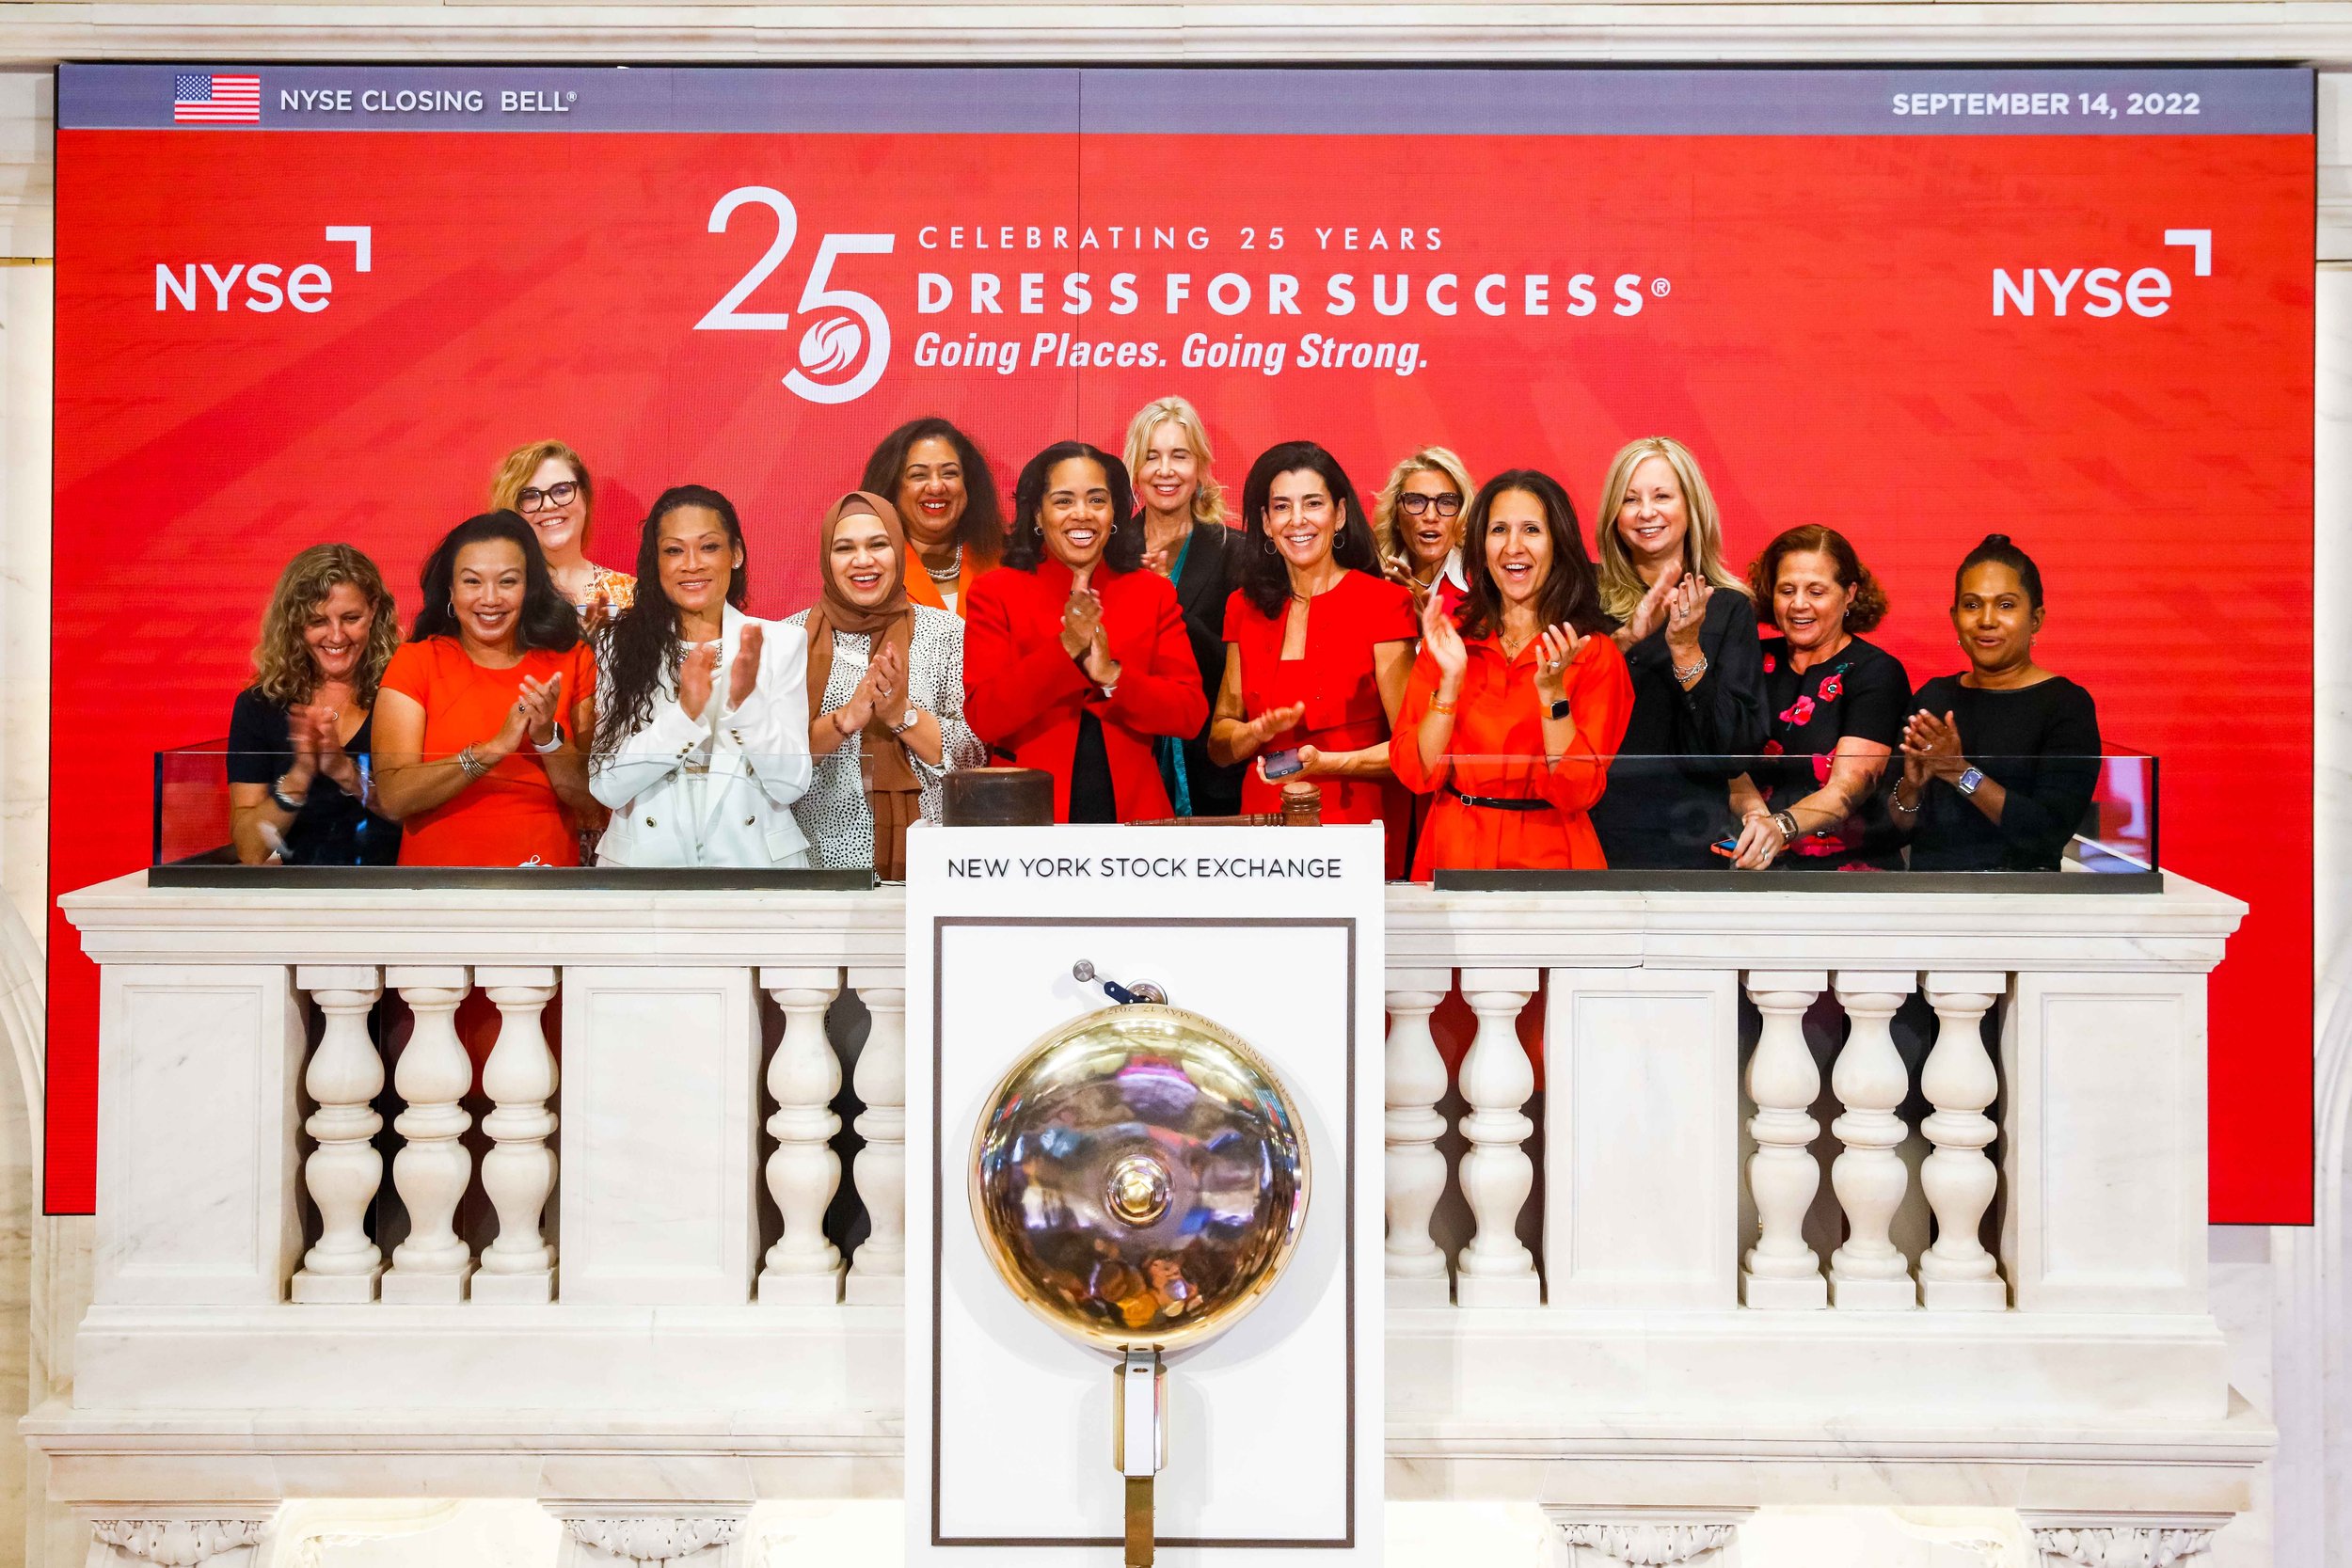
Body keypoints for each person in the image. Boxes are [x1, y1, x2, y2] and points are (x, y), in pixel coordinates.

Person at [1392, 471, 1633, 875]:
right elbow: (1416, 772)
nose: (1513, 547)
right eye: (1499, 530)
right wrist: (1450, 683)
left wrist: (1553, 695)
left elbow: (1577, 791)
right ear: (1480, 546)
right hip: (1452, 851)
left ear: (1558, 545)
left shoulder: (1594, 655)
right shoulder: (1450, 645)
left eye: (1532, 530)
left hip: (1553, 858)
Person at [963, 441, 1207, 822]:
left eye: (1096, 500)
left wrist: (1112, 676)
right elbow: (985, 717)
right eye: (1063, 501)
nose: (1082, 514)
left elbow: (1189, 714)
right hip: (1026, 814)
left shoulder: (1152, 593)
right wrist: (1065, 649)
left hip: (1133, 815)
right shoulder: (996, 592)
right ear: (1038, 515)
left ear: (1114, 513)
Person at [1209, 440, 1417, 872]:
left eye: (1313, 504)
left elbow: (1412, 750)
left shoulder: (1383, 603)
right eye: (1282, 507)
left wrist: (1329, 763)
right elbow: (1219, 744)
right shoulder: (1241, 607)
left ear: (1339, 514)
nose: (1297, 520)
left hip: (1355, 822)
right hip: (1262, 826)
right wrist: (1251, 733)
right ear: (1265, 523)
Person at [589, 485, 815, 869]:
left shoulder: (781, 642)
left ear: (736, 554)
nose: (691, 564)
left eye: (709, 547)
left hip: (755, 867)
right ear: (656, 562)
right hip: (646, 867)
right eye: (674, 550)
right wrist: (685, 716)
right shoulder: (619, 643)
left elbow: (791, 783)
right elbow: (606, 786)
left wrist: (746, 707)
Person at [372, 512, 599, 866]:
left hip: (542, 881)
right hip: (437, 890)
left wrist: (546, 738)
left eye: (507, 582)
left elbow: (591, 801)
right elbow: (394, 797)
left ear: (530, 588)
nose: (489, 599)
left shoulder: (571, 659)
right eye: (472, 582)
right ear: (451, 589)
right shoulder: (416, 661)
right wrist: (492, 750)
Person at [1586, 436, 1770, 868]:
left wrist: (1687, 654)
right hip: (1590, 827)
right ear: (1614, 514)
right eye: (1630, 499)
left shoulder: (1728, 607)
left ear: (1693, 506)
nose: (1646, 512)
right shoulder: (1584, 597)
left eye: (1662, 496)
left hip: (1688, 834)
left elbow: (1734, 751)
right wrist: (1626, 640)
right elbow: (1562, 697)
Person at [787, 490, 984, 876]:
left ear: (898, 549)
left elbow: (975, 753)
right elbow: (771, 760)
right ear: (827, 559)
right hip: (817, 859)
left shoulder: (948, 634)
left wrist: (901, 714)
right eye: (845, 548)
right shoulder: (789, 641)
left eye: (878, 544)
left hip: (931, 861)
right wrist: (846, 719)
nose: (863, 561)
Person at [1892, 534, 2102, 870]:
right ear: (1954, 616)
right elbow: (1893, 831)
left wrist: (1960, 772)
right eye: (1972, 604)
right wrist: (1911, 788)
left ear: (2036, 619)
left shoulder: (2065, 704)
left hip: (2023, 905)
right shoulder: (1933, 697)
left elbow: (2048, 832)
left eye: (2005, 605)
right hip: (1930, 902)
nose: (1986, 620)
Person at [1726, 525, 1909, 871]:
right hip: (1754, 867)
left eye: (1816, 591)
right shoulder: (1749, 660)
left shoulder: (1876, 672)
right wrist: (1754, 815)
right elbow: (1727, 761)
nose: (1798, 604)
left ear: (1849, 593)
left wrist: (1779, 827)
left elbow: (1847, 790)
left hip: (1849, 880)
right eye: (1787, 590)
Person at [227, 544, 403, 865]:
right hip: (299, 904)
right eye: (318, 621)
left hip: (399, 897)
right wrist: (300, 775)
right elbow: (250, 850)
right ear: (294, 622)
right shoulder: (259, 706)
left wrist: (346, 773)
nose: (336, 637)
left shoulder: (405, 691)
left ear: (374, 609)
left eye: (351, 618)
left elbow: (421, 819)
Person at [1124, 395, 1245, 816]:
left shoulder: (1235, 551)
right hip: (1131, 763)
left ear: (1200, 466)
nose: (1165, 471)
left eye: (1179, 455)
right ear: (1135, 470)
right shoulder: (1112, 555)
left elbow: (1235, 667)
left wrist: (1165, 604)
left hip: (1213, 768)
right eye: (1151, 457)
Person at [859, 418, 1006, 616]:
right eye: (919, 475)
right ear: (893, 488)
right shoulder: (868, 566)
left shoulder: (1006, 561)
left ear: (969, 485)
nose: (936, 487)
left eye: (949, 474)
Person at [490, 439, 635, 627]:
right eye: (530, 496)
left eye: (561, 491)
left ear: (585, 497)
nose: (549, 505)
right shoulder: (496, 596)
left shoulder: (632, 595)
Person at [1372, 446, 1475, 615]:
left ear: (1463, 515)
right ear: (1396, 515)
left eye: (1446, 502)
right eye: (1416, 501)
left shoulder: (1484, 587)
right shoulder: (1372, 583)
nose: (1431, 516)